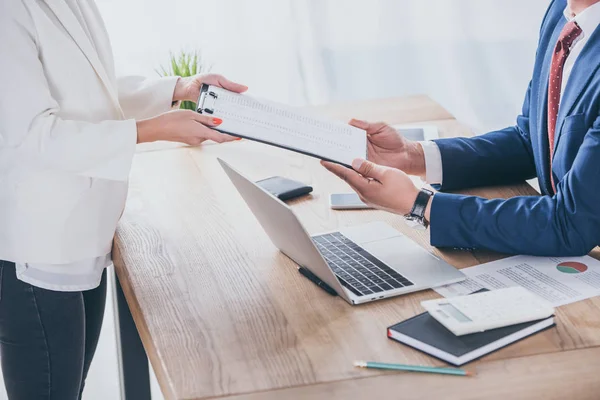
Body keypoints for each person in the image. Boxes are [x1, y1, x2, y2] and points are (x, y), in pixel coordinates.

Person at [0, 0, 246, 398]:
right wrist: (154, 129)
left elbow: (92, 92)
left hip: (84, 236)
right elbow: (34, 137)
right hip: (39, 250)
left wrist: (178, 89)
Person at [323, 0, 600, 257]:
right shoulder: (562, 13)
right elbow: (531, 142)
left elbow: (572, 223)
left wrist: (420, 204)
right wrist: (413, 157)